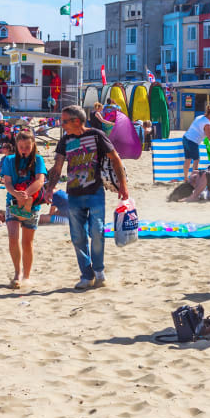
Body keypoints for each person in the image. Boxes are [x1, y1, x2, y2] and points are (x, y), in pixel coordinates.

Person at [44, 105, 130, 291]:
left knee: (97, 232)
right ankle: (86, 275)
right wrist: (50, 188)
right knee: (78, 237)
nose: (62, 124)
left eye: (65, 121)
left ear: (76, 121)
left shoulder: (96, 135)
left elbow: (115, 158)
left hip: (95, 192)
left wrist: (123, 185)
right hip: (74, 195)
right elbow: (57, 167)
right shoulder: (65, 140)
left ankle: (99, 271)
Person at [1, 129, 47, 288]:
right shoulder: (8, 160)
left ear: (33, 145)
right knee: (13, 237)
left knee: (27, 242)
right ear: (16, 145)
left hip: (32, 204)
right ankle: (17, 273)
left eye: (28, 146)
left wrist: (26, 193)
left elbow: (40, 181)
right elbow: (7, 181)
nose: (24, 150)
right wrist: (15, 193)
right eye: (21, 146)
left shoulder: (38, 160)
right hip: (12, 203)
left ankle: (26, 276)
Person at [182, 105, 210, 179]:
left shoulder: (200, 117)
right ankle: (193, 179)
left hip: (185, 138)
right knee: (196, 160)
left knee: (188, 159)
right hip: (193, 141)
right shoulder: (207, 124)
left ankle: (185, 178)